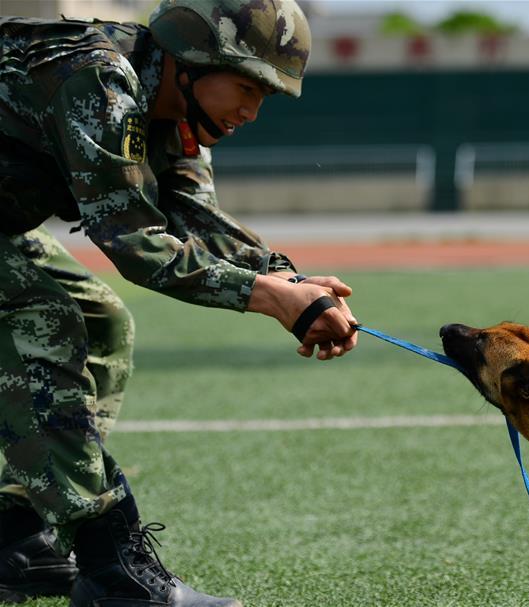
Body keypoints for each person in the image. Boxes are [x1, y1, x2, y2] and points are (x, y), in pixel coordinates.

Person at [0, 1, 356, 605]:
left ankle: (14, 535)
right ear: (189, 60)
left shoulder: (174, 111)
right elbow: (137, 242)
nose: (251, 110)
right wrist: (270, 298)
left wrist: (289, 280)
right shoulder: (99, 81)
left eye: (266, 95)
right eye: (247, 86)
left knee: (100, 322)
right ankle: (111, 569)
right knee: (43, 320)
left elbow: (193, 214)